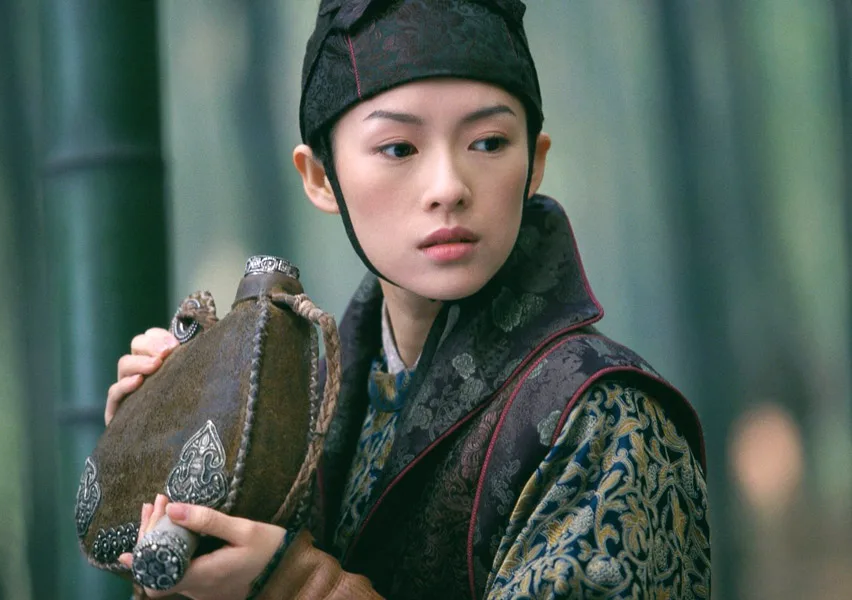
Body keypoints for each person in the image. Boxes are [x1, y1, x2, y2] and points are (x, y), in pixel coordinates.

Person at [107, 1, 710, 598]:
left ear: (534, 163)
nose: (448, 187)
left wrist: (294, 586)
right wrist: (170, 485)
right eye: (399, 148)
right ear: (321, 178)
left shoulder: (608, 417)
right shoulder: (309, 403)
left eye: (489, 142)